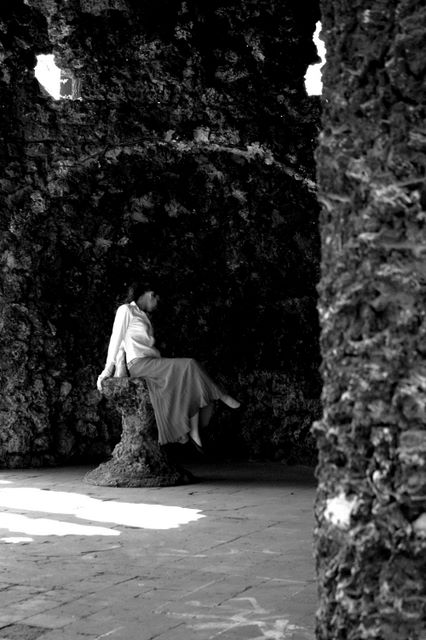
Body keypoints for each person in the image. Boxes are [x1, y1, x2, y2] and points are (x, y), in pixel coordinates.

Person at [97, 283, 240, 451]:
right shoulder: (126, 310)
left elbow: (128, 344)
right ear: (151, 294)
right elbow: (116, 339)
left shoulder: (143, 315)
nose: (158, 305)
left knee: (188, 381)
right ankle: (222, 395)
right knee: (190, 364)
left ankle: (193, 431)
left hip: (154, 363)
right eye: (158, 299)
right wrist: (109, 370)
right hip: (140, 364)